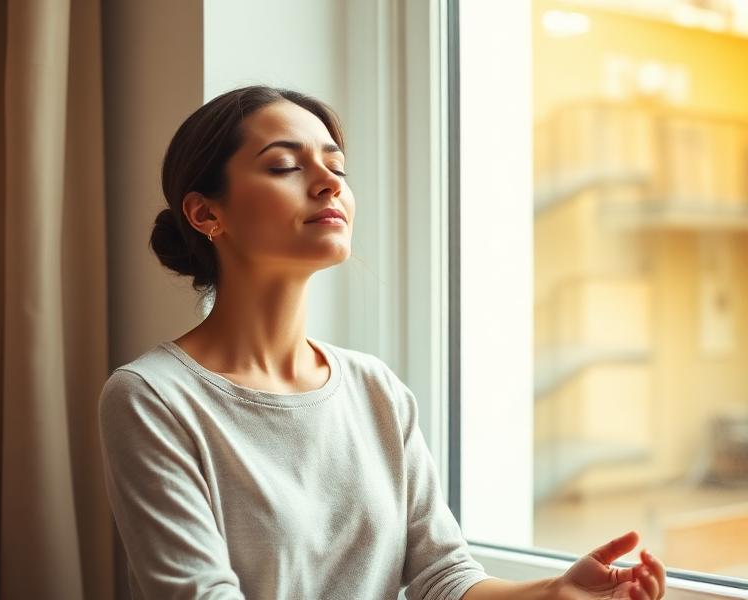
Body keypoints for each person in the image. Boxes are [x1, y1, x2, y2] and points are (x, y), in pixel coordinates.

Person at [98, 85, 666, 600]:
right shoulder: (152, 397)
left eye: (337, 168)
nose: (328, 183)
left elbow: (442, 576)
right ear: (205, 213)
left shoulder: (375, 389)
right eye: (284, 166)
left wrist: (551, 593)